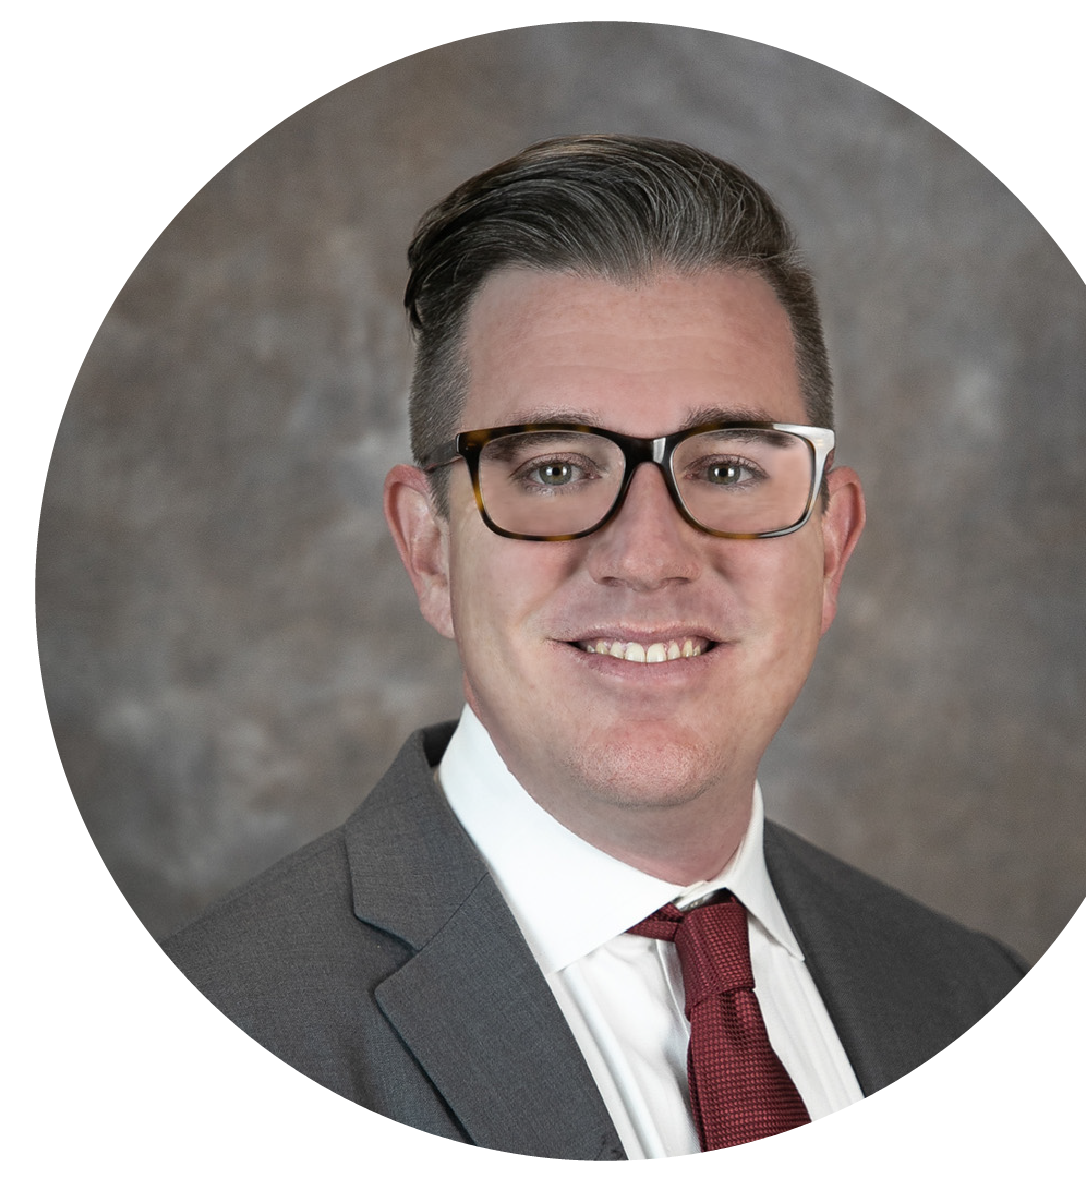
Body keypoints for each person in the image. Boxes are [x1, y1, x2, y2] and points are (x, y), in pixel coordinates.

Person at [160, 135, 1026, 1180]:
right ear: (431, 552)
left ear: (830, 547)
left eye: (726, 468)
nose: (650, 557)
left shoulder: (985, 1006)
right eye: (557, 469)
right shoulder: (240, 1022)